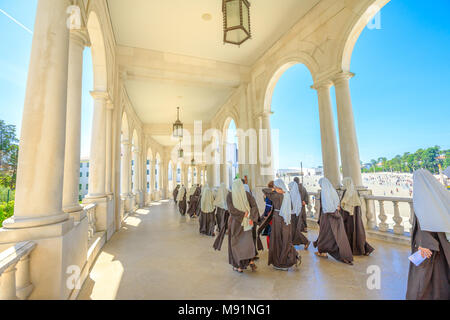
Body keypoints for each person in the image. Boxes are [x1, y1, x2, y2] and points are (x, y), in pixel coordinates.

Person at [406, 169, 449, 300]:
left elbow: (424, 223)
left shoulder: (422, 197)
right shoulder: (436, 195)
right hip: (441, 242)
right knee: (440, 275)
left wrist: (423, 243)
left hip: (428, 245)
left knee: (422, 279)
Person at [259, 179, 300, 271]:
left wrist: (274, 190)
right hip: (287, 221)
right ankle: (292, 256)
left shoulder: (276, 195)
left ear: (277, 186)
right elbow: (292, 207)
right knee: (285, 240)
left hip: (278, 219)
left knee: (277, 240)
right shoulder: (287, 195)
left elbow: (264, 190)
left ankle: (281, 262)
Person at [313, 177, 353, 265]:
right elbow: (336, 203)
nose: (320, 186)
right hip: (335, 214)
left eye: (320, 184)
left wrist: (330, 212)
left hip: (328, 215)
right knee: (337, 235)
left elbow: (327, 206)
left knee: (325, 234)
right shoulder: (332, 190)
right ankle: (344, 255)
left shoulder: (325, 191)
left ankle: (326, 252)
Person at [226, 179, 259, 273]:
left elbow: (231, 209)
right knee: (245, 243)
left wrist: (241, 214)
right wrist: (250, 216)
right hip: (247, 222)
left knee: (235, 244)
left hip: (235, 223)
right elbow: (254, 206)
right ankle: (247, 262)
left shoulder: (230, 195)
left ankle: (237, 266)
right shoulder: (247, 194)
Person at [340, 177, 374, 256]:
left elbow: (344, 204)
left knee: (350, 233)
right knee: (358, 233)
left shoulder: (347, 192)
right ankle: (364, 249)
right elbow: (358, 204)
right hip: (356, 216)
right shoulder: (355, 191)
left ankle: (354, 250)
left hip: (349, 217)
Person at [288, 181, 310, 249]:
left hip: (292, 215)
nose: (289, 188)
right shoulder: (296, 194)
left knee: (293, 231)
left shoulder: (291, 194)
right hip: (295, 215)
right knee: (293, 231)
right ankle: (292, 243)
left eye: (290, 187)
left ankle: (305, 241)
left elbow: (291, 206)